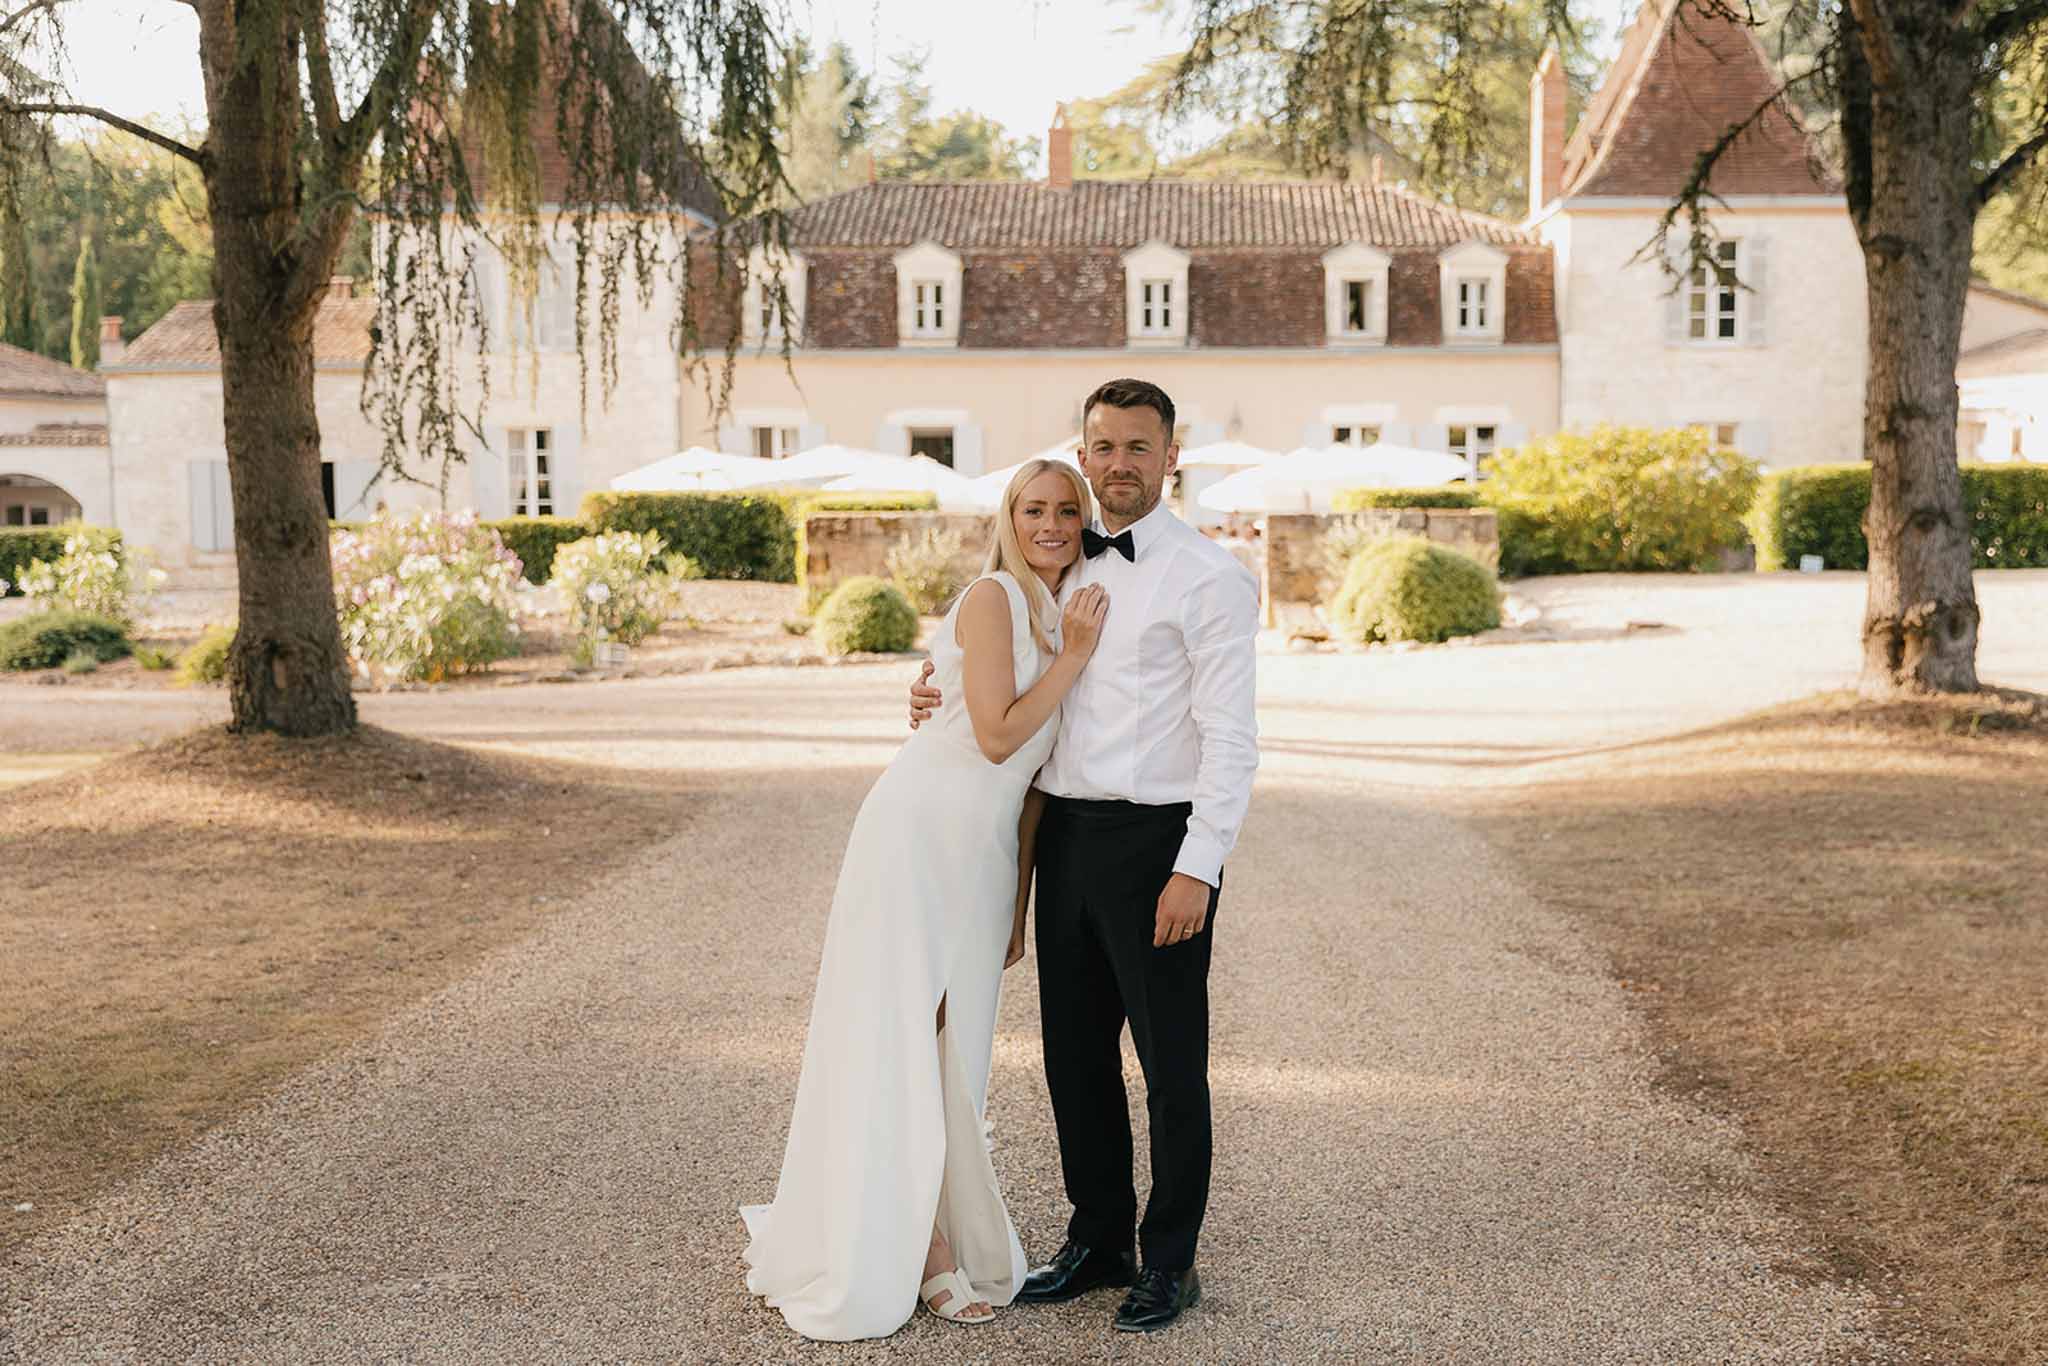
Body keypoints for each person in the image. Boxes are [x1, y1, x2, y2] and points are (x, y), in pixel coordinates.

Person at [909, 378, 1260, 1333]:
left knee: (1171, 1065)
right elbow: (991, 667)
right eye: (1103, 447)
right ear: (1084, 453)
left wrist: (1199, 865)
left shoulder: (1210, 577)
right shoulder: (1053, 562)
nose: (1119, 465)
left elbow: (1232, 738)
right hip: (1061, 833)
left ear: (1172, 457)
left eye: (1139, 447)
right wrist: (929, 689)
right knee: (1073, 1059)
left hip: (1157, 842)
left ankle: (1170, 1261)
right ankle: (1099, 1240)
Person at [741, 459, 1110, 1341]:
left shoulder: (1063, 612)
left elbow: (1033, 792)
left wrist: (1015, 906)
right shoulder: (993, 599)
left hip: (982, 857)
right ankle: (928, 1250)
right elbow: (996, 737)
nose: (1051, 525)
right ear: (1008, 518)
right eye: (1033, 509)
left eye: (1067, 511)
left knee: (956, 1049)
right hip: (916, 834)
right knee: (904, 1033)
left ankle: (923, 1223)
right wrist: (1074, 660)